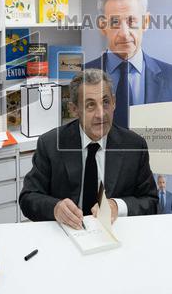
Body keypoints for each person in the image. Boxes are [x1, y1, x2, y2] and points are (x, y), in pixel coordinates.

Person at [19, 69, 158, 226]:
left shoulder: (134, 145)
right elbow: (28, 198)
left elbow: (151, 202)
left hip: (116, 234)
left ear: (114, 103)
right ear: (74, 109)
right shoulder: (51, 144)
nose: (101, 114)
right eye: (90, 105)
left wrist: (117, 206)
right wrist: (55, 208)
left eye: (105, 102)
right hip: (66, 235)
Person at [84, 0, 172, 128]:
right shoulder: (80, 76)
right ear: (103, 26)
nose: (124, 33)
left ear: (145, 22)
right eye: (115, 22)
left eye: (131, 21)